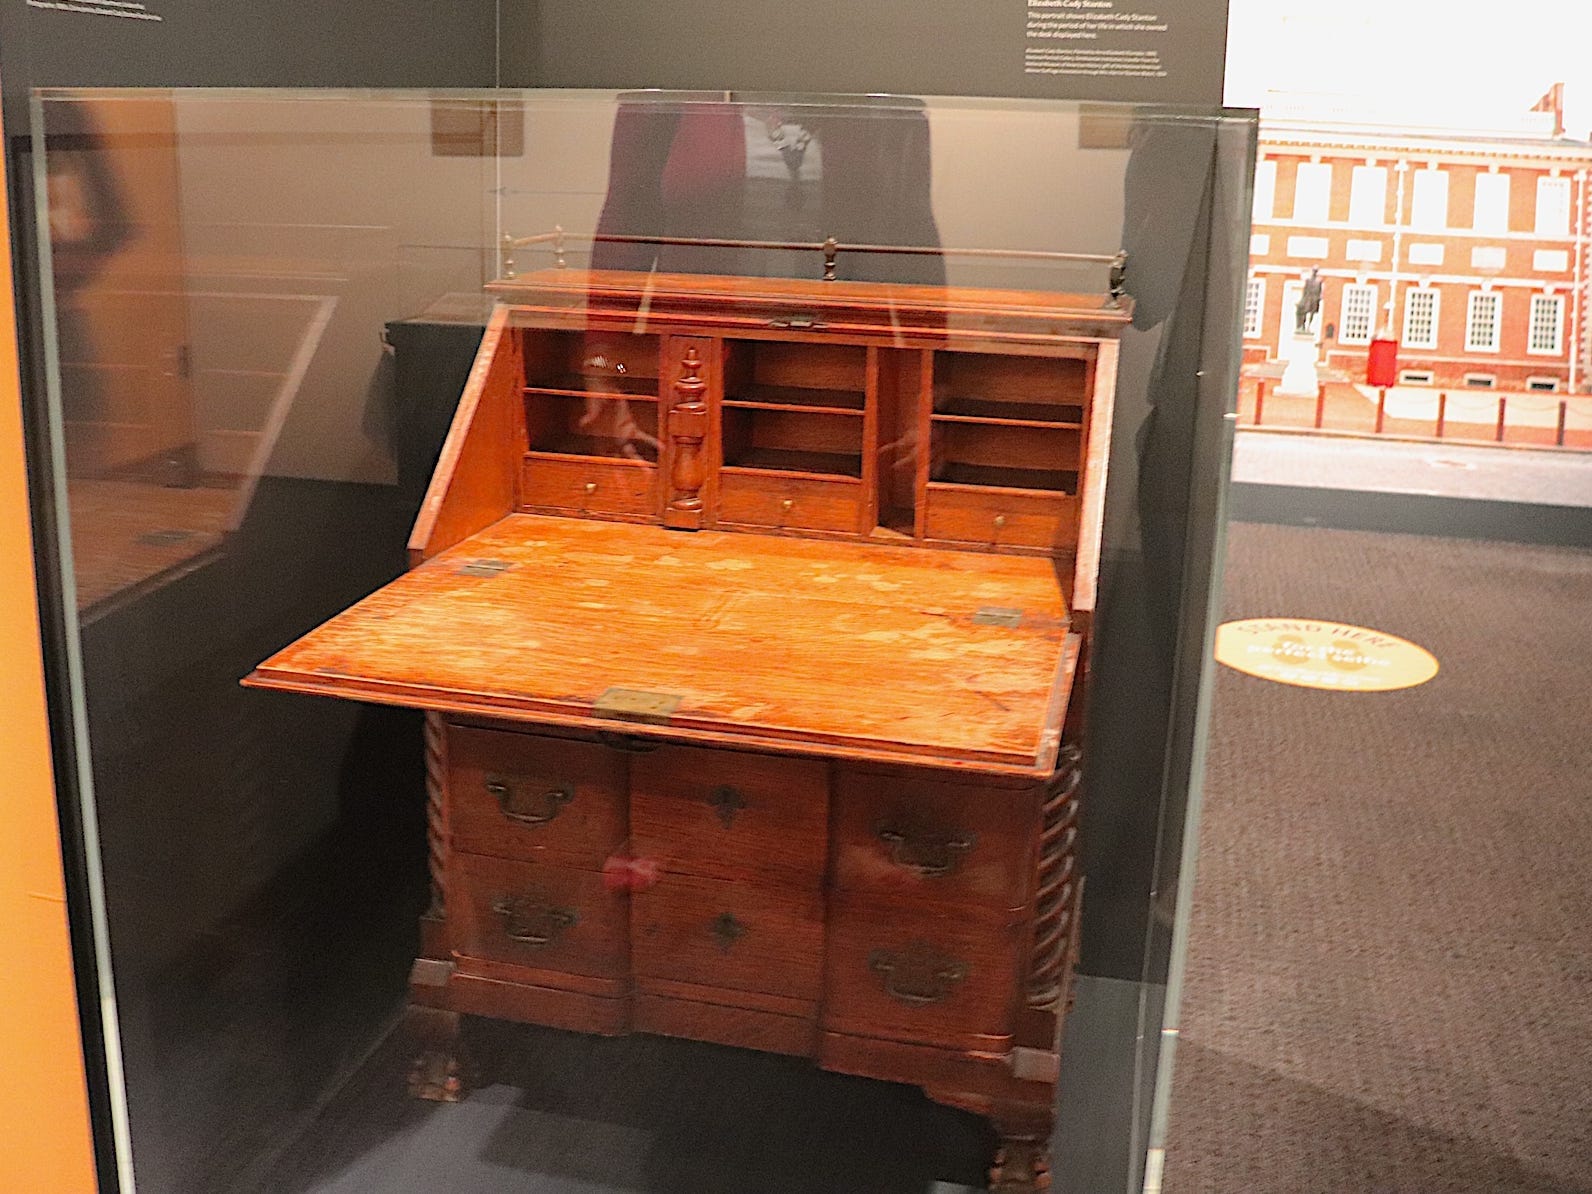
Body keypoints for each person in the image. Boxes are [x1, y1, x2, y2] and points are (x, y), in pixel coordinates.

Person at [1295, 267, 1323, 335]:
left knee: (1312, 313)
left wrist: (1319, 298)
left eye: (1315, 271)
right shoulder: (1308, 280)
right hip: (1308, 298)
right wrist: (1302, 300)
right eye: (1314, 271)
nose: (1314, 273)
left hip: (1314, 299)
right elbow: (1305, 291)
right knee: (1304, 311)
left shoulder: (1319, 282)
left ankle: (1309, 326)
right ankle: (1302, 326)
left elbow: (1320, 292)